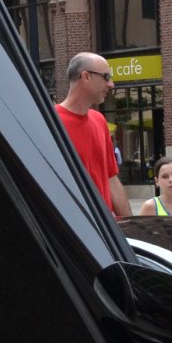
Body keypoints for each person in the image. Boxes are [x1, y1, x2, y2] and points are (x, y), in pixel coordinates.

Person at [55, 52, 130, 218]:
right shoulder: (51, 122)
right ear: (86, 77)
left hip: (103, 229)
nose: (111, 84)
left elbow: (111, 179)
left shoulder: (99, 120)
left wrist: (131, 227)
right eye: (106, 77)